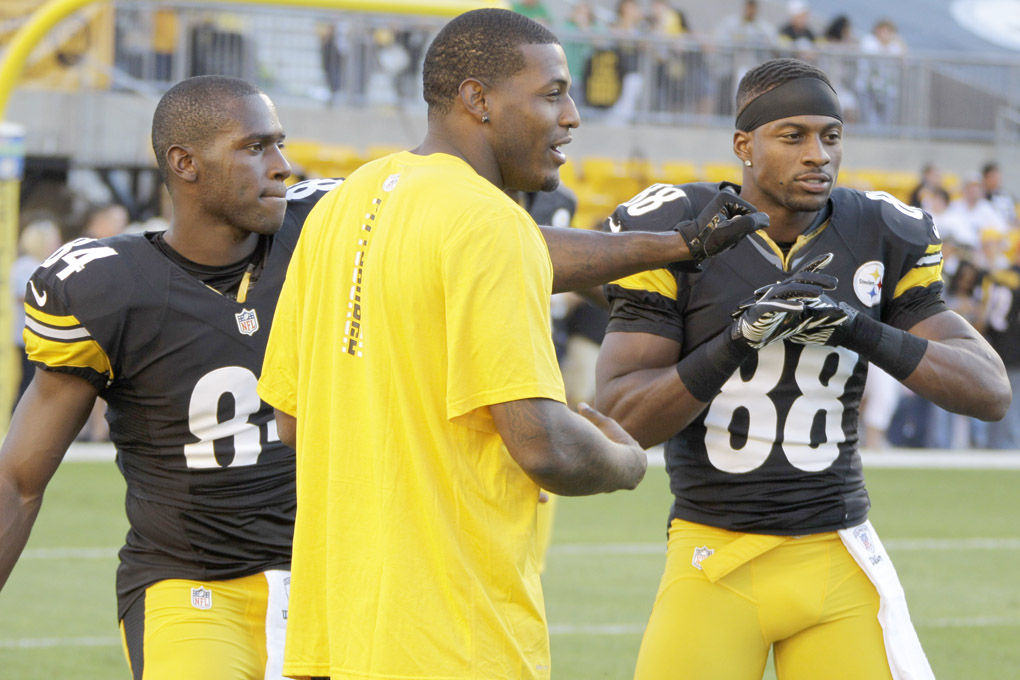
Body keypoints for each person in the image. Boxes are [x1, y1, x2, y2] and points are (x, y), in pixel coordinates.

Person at [256, 9, 766, 680]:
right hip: (455, 636)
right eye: (553, 92)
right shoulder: (486, 220)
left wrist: (671, 245)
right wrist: (625, 460)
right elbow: (543, 445)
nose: (573, 115)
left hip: (342, 629)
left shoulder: (343, 204)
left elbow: (293, 422)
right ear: (478, 99)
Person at [595, 58, 1009, 680]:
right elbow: (622, 417)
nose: (818, 154)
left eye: (831, 136)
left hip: (838, 550)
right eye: (793, 136)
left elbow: (989, 390)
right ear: (744, 145)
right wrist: (735, 342)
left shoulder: (880, 232)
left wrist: (857, 327)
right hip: (714, 555)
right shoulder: (680, 233)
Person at [0, 75, 342, 680]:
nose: (283, 165)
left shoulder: (325, 233)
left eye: (279, 144)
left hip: (337, 580)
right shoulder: (108, 286)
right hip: (190, 583)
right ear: (185, 163)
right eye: (255, 147)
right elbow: (19, 481)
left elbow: (499, 257)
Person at [8, 217, 63, 410]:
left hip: (41, 334)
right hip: (27, 335)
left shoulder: (45, 265)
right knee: (28, 381)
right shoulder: (25, 265)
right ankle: (18, 417)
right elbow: (24, 295)